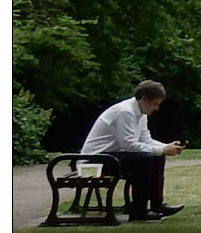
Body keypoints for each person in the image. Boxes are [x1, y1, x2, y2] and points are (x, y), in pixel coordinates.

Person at [80, 80, 186, 222]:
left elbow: (145, 140)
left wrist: (166, 147)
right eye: (155, 104)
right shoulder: (125, 112)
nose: (157, 108)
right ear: (144, 99)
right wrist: (162, 149)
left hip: (111, 156)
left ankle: (156, 205)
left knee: (156, 156)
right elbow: (128, 145)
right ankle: (139, 212)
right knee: (145, 159)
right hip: (94, 160)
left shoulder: (140, 113)